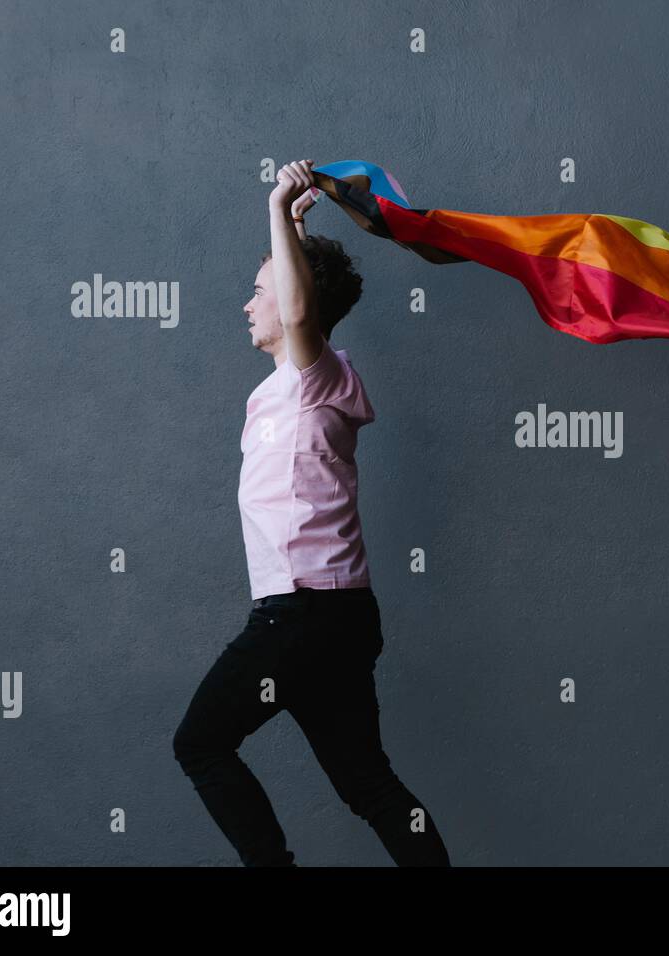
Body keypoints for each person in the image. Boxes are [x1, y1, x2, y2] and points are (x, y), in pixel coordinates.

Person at [173, 159, 450, 867]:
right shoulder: (283, 391)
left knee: (200, 743)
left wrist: (275, 204)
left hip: (300, 617)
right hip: (336, 618)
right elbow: (300, 307)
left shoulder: (315, 376)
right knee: (369, 784)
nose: (247, 304)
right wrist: (295, 234)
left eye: (257, 291)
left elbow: (301, 314)